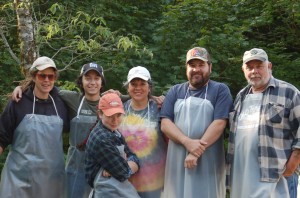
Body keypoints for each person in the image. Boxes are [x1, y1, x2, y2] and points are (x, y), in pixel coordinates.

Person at [12, 62, 106, 198]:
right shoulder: (72, 98)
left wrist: (150, 98)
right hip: (76, 171)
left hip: (102, 170)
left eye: (96, 78)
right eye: (88, 78)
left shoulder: (110, 101)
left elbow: (134, 99)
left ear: (102, 82)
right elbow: (44, 85)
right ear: (81, 81)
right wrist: (21, 87)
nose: (92, 82)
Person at [226, 48, 300, 198]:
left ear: (269, 66)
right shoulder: (241, 96)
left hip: (276, 177)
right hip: (242, 176)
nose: (254, 71)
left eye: (259, 66)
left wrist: (292, 164)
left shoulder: (289, 92)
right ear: (243, 70)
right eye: (249, 67)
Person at [160, 47, 232, 198]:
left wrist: (196, 151)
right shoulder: (175, 91)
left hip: (208, 162)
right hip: (177, 162)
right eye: (192, 65)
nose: (196, 69)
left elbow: (219, 124)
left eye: (201, 65)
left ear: (210, 67)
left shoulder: (220, 90)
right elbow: (165, 124)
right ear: (186, 68)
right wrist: (187, 142)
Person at [0, 56, 69, 198]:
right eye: (42, 75)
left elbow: (90, 104)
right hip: (19, 181)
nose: (46, 80)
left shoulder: (62, 103)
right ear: (33, 76)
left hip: (52, 183)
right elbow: (2, 137)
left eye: (51, 76)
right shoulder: (18, 102)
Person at [118, 66, 167, 198]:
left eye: (142, 84)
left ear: (149, 87)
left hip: (154, 181)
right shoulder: (120, 110)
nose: (138, 88)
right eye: (133, 84)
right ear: (128, 87)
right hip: (126, 180)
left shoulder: (161, 108)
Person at [84, 93, 140, 198]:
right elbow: (124, 173)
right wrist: (129, 163)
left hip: (117, 189)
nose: (115, 121)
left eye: (118, 115)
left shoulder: (114, 131)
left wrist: (126, 163)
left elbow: (133, 157)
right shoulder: (102, 138)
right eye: (110, 116)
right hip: (106, 191)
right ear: (100, 114)